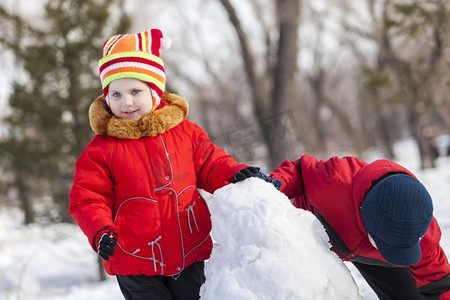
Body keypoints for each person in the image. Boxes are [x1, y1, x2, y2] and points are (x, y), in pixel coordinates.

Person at [69, 28, 274, 300]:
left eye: (135, 91)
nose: (126, 102)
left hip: (187, 249)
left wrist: (233, 172)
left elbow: (209, 162)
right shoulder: (102, 150)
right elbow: (87, 198)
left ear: (155, 92)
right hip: (135, 261)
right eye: (115, 94)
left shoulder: (184, 132)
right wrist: (100, 230)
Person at [270, 154, 450, 299]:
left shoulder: (421, 233)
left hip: (369, 254)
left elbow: (439, 283)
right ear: (365, 217)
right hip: (315, 236)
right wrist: (274, 185)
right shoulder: (335, 181)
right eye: (388, 245)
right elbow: (299, 170)